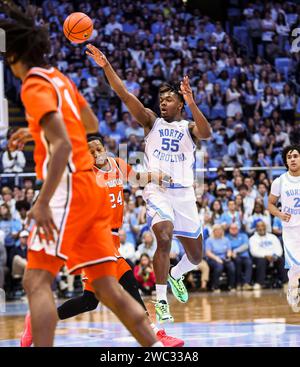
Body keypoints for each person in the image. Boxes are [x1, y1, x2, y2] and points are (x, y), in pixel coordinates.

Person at [2, 3, 160, 347]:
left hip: (67, 191)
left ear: (14, 55)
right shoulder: (59, 78)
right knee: (109, 290)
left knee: (36, 283)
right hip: (91, 191)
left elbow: (61, 146)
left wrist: (43, 202)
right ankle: (158, 349)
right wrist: (36, 130)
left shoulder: (32, 85)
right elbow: (89, 125)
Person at [86, 44, 211, 322]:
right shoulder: (150, 121)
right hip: (157, 191)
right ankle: (162, 300)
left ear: (179, 103)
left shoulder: (189, 127)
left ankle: (177, 276)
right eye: (161, 99)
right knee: (164, 236)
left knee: (196, 257)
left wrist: (192, 102)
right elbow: (124, 94)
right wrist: (106, 65)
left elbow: (207, 132)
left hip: (185, 194)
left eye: (168, 99)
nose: (162, 103)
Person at [20, 136, 183, 347]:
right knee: (128, 278)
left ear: (105, 149)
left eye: (99, 150)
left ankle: (38, 320)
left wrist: (157, 176)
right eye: (91, 153)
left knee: (89, 301)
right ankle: (155, 334)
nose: (97, 155)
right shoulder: (85, 175)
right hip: (95, 236)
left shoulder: (117, 164)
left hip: (112, 238)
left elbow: (138, 178)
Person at [268, 144, 300, 311]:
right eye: (289, 157)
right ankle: (293, 288)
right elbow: (271, 204)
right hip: (291, 230)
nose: (293, 159)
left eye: (295, 156)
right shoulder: (279, 181)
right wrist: (279, 214)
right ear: (286, 161)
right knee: (296, 267)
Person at [249, 221, 287, 290]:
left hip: (273, 256)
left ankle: (286, 282)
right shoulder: (252, 238)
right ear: (256, 228)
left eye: (262, 226)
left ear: (265, 227)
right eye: (259, 227)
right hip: (260, 257)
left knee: (281, 260)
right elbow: (253, 252)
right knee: (261, 261)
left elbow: (279, 249)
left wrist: (273, 256)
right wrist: (265, 255)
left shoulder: (272, 237)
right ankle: (260, 283)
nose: (261, 228)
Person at [205, 224, 236, 292]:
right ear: (214, 231)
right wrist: (216, 258)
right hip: (213, 258)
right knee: (219, 267)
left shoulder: (226, 239)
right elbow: (208, 252)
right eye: (217, 230)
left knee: (231, 267)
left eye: (220, 230)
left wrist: (228, 255)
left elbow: (229, 250)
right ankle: (215, 286)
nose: (219, 231)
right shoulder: (209, 240)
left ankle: (231, 286)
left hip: (224, 257)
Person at [226, 223, 253, 291]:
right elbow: (227, 247)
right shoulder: (227, 237)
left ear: (238, 229)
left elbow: (246, 246)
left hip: (244, 255)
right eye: (232, 228)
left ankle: (246, 283)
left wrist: (235, 251)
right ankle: (238, 283)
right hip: (233, 256)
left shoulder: (243, 235)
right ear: (229, 229)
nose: (234, 230)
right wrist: (232, 253)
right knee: (237, 262)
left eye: (235, 228)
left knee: (249, 263)